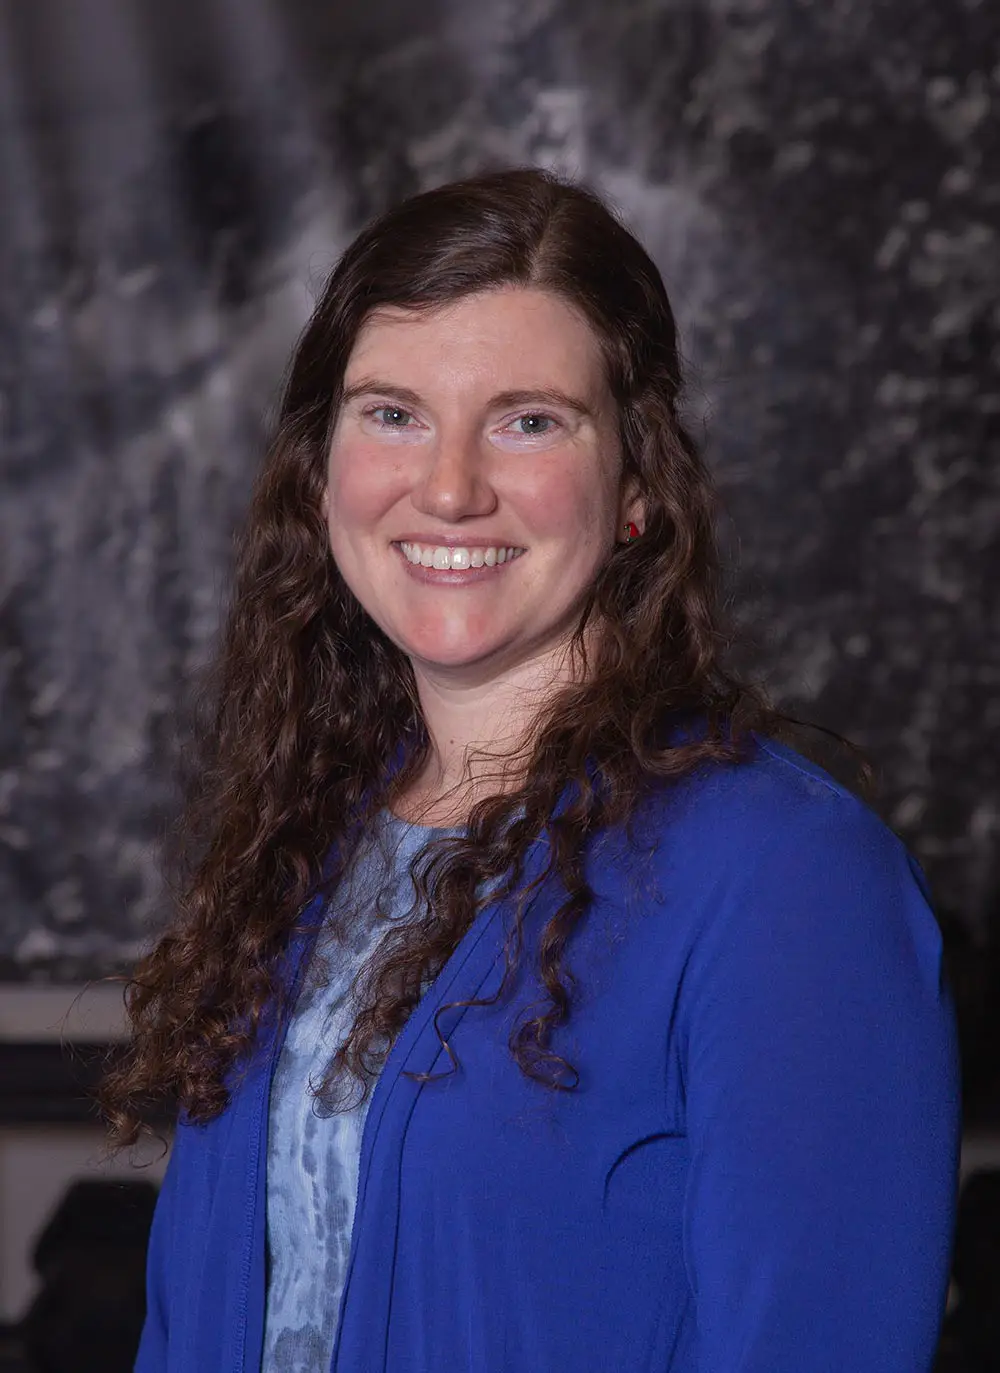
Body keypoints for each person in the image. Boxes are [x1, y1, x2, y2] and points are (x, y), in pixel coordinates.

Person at [104, 168, 960, 1373]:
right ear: (318, 469)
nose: (448, 486)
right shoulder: (302, 843)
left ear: (638, 490)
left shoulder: (787, 878)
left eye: (528, 419)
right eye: (391, 412)